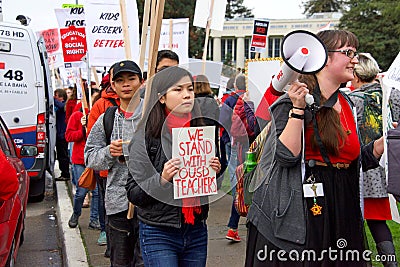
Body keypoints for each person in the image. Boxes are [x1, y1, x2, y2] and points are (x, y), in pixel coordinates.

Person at [245, 30, 385, 266]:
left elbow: (352, 159)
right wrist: (298, 110)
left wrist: (383, 144)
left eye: (355, 53)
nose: (355, 60)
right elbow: (286, 157)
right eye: (348, 53)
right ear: (323, 58)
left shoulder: (349, 104)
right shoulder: (291, 101)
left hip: (342, 206)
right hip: (305, 209)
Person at [126, 66, 222, 266]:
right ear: (162, 97)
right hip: (158, 231)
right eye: (178, 90)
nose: (186, 95)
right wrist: (161, 178)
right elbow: (133, 193)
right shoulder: (145, 137)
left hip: (196, 228)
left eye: (190, 89)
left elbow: (213, 186)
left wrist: (214, 172)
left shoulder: (202, 132)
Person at [85, 60, 144, 267]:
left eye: (131, 79)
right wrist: (109, 152)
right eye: (120, 80)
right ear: (113, 85)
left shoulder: (153, 116)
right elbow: (90, 157)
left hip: (151, 206)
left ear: (141, 82)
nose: (126, 84)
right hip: (118, 206)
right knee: (121, 263)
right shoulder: (106, 119)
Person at [349, 53, 400, 266]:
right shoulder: (393, 95)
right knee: (378, 222)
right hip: (389, 167)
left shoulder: (353, 100)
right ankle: (391, 264)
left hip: (363, 169)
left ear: (358, 76)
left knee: (356, 223)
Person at [218, 74, 249, 242]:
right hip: (253, 145)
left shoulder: (231, 99)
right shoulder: (252, 99)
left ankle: (233, 227)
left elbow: (222, 120)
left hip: (235, 143)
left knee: (239, 182)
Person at [66, 89, 101, 231]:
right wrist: (82, 129)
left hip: (95, 159)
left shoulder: (100, 115)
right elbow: (69, 136)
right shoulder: (76, 116)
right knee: (82, 190)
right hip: (80, 159)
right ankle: (76, 214)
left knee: (98, 192)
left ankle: (94, 219)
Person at [54, 89, 71, 181]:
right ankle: (64, 172)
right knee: (61, 155)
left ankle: (65, 173)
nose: (54, 97)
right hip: (60, 133)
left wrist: (53, 99)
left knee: (63, 155)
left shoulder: (64, 104)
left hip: (62, 134)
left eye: (56, 95)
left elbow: (60, 106)